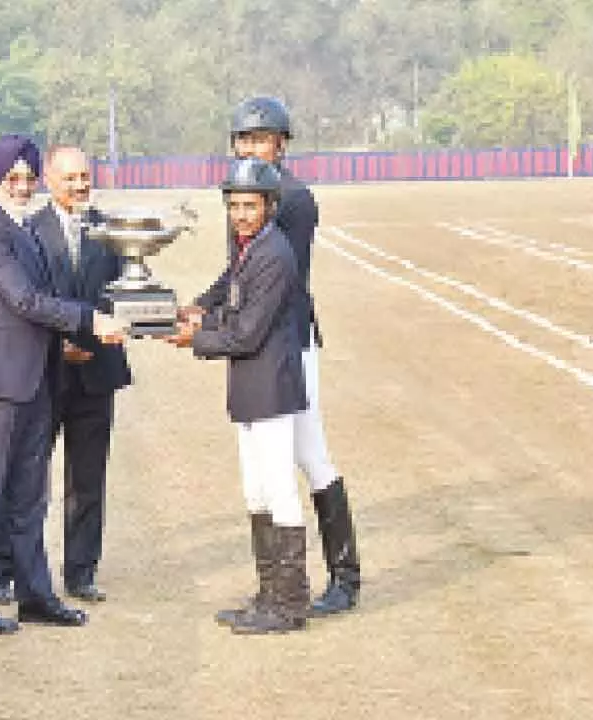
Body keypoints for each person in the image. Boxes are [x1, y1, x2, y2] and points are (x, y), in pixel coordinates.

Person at [0, 133, 126, 635]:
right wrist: (90, 321)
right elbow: (24, 300)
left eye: (28, 177)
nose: (23, 186)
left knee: (29, 499)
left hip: (35, 378)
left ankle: (35, 596)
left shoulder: (21, 227)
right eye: (14, 178)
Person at [186, 97, 360, 617]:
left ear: (281, 144)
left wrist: (215, 328)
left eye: (261, 140)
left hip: (286, 340)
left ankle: (342, 578)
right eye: (244, 139)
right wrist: (202, 305)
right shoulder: (247, 190)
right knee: (302, 457)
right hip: (260, 336)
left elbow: (272, 279)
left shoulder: (294, 200)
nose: (252, 148)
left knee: (311, 457)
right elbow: (236, 270)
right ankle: (284, 586)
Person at [167, 157, 310, 635]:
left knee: (279, 491)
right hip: (251, 385)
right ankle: (269, 593)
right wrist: (199, 312)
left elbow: (246, 333)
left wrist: (195, 338)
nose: (241, 215)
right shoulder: (250, 248)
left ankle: (289, 603)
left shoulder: (274, 255)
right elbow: (230, 297)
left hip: (270, 385)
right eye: (234, 206)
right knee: (257, 491)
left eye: (250, 205)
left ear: (269, 205)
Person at [0, 146, 130, 604]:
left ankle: (81, 572)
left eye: (85, 176)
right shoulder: (27, 231)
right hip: (44, 373)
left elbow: (121, 296)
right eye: (70, 178)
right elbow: (24, 301)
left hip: (97, 374)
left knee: (88, 480)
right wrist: (58, 344)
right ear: (48, 180)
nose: (80, 185)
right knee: (26, 477)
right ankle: (2, 570)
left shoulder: (112, 232)